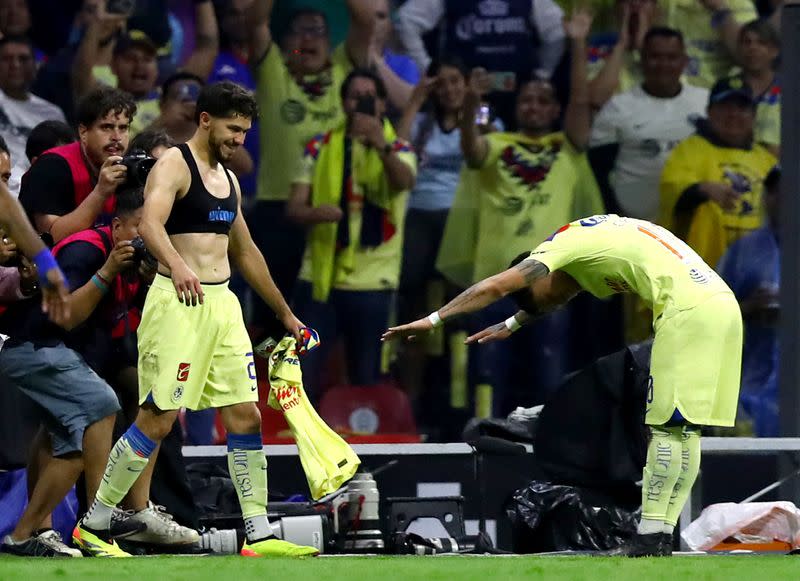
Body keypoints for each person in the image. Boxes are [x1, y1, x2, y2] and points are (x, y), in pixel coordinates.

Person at [383, 213, 743, 557]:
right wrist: (512, 325)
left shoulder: (553, 250)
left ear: (537, 274)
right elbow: (559, 292)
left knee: (665, 429)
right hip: (721, 305)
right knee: (684, 431)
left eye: (544, 298)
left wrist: (433, 320)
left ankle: (650, 536)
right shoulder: (590, 243)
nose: (555, 304)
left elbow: (496, 285)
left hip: (686, 313)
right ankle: (660, 534)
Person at [74, 81, 317, 558]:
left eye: (245, 132)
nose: (239, 140)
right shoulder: (173, 164)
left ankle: (260, 533)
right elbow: (149, 224)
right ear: (205, 119)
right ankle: (95, 522)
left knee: (246, 414)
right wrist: (179, 265)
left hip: (223, 305)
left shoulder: (228, 179)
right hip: (177, 302)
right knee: (158, 418)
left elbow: (245, 251)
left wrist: (286, 315)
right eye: (232, 129)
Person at [435, 9, 604, 416]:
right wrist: (474, 101)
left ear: (554, 111)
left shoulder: (568, 147)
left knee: (549, 373)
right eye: (527, 99)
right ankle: (484, 447)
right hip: (495, 281)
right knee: (488, 375)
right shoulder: (497, 143)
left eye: (543, 101)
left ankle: (551, 448)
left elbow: (581, 100)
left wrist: (579, 42)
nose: (533, 106)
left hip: (552, 284)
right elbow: (471, 148)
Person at [286, 68, 416, 396]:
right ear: (343, 103)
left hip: (373, 281)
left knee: (367, 378)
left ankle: (363, 445)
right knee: (304, 374)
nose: (360, 103)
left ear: (383, 104)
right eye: (354, 96)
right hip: (320, 280)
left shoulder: (399, 147)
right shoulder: (319, 146)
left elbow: (404, 182)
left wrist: (379, 145)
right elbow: (294, 208)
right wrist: (316, 213)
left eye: (369, 96)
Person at [244, 0, 375, 306]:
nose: (308, 39)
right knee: (273, 310)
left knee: (322, 309)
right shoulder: (274, 69)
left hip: (334, 207)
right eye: (298, 32)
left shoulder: (344, 68)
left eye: (317, 31)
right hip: (276, 207)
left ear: (330, 43)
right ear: (284, 42)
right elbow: (255, 22)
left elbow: (366, 20)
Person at [588, 27, 708, 222]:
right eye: (655, 56)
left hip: (694, 226)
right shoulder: (617, 108)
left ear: (684, 62)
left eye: (671, 57)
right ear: (641, 60)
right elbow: (597, 174)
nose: (663, 64)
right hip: (635, 228)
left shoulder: (705, 103)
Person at [659, 76, 776, 268]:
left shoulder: (768, 161)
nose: (733, 114)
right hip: (701, 268)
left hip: (757, 268)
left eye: (742, 108)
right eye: (725, 107)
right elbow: (672, 190)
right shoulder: (689, 150)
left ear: (754, 116)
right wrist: (702, 190)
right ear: (709, 112)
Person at [397, 0, 566, 127]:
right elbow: (407, 19)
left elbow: (558, 29)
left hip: (517, 99)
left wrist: (542, 74)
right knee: (479, 140)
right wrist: (428, 68)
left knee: (512, 155)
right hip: (469, 100)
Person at [19, 86, 137, 242]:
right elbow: (50, 238)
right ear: (83, 132)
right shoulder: (52, 166)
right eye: (107, 127)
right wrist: (100, 193)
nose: (116, 137)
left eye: (123, 128)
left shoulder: (132, 167)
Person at [717, 164, 780, 436]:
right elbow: (713, 315)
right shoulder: (744, 252)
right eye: (781, 193)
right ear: (767, 197)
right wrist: (750, 307)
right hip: (751, 383)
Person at [0, 35, 67, 195]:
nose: (15, 65)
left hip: (38, 192)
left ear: (35, 65)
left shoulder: (52, 113)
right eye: (6, 59)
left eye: (23, 59)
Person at [735, 19, 781, 157]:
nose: (752, 48)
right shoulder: (727, 87)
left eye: (761, 43)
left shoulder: (792, 89)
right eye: (747, 42)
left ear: (775, 51)